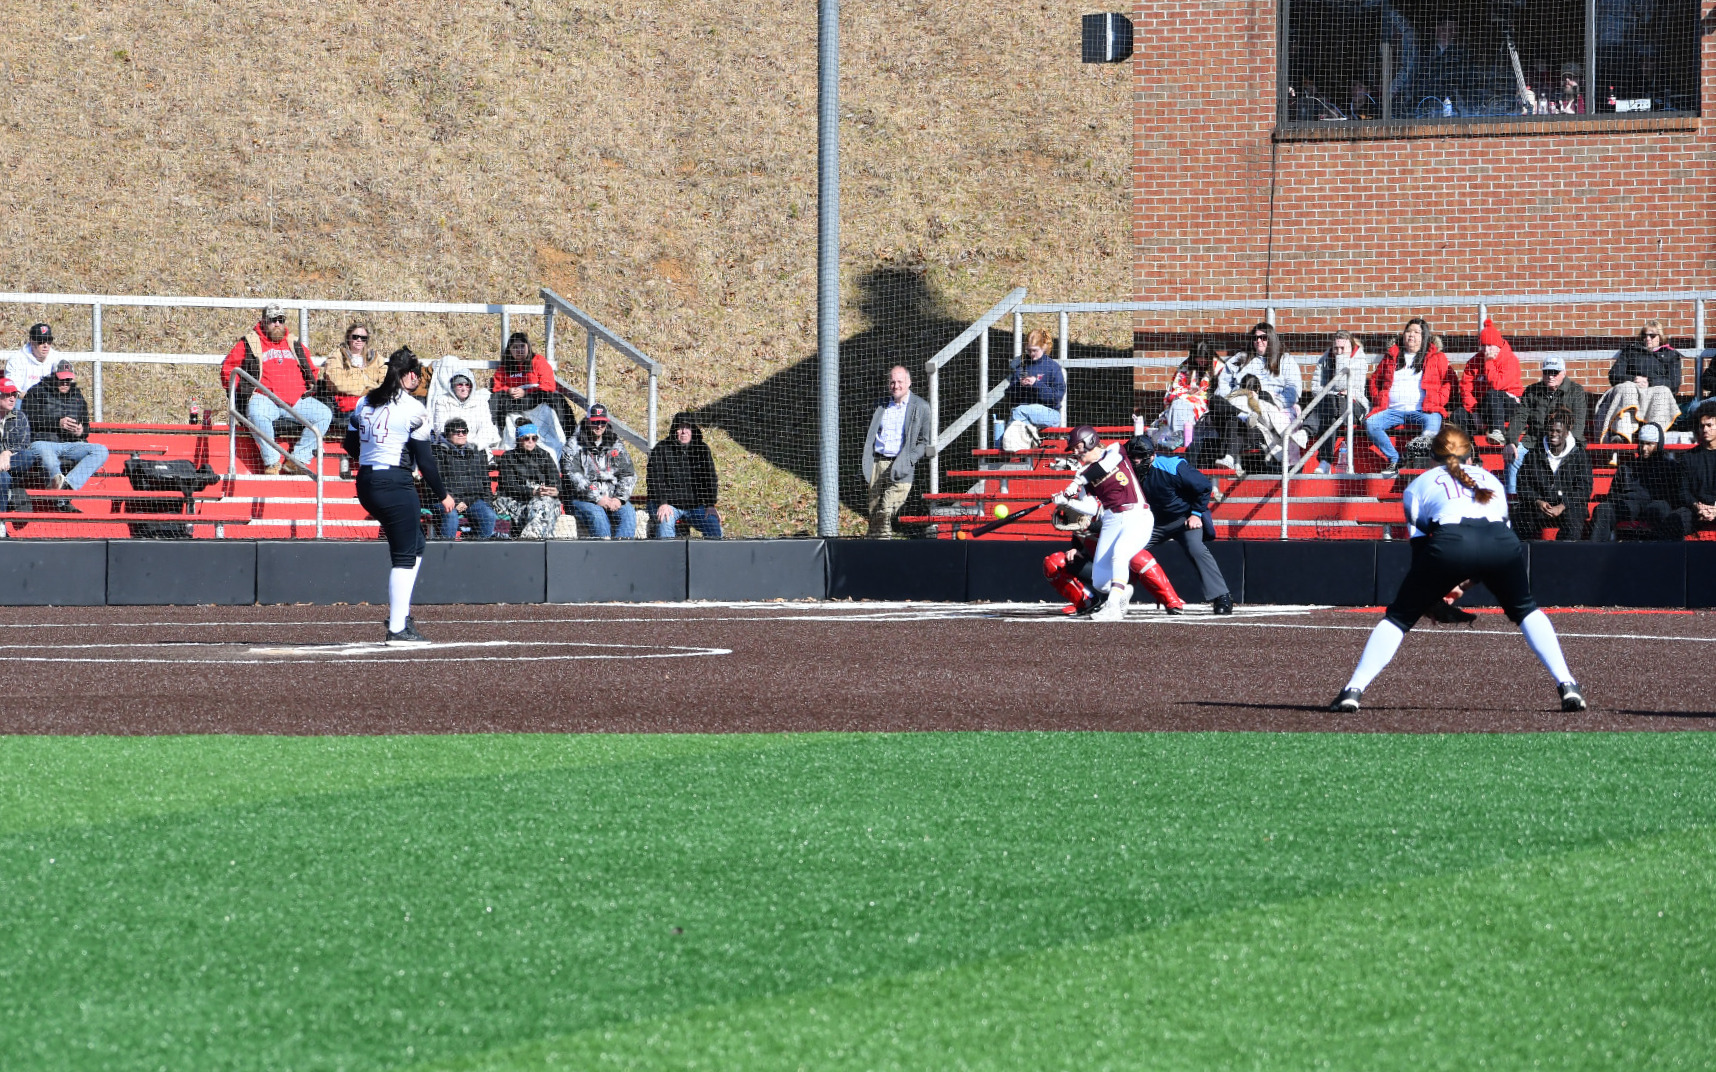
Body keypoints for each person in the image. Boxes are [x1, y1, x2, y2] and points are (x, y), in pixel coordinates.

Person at [1330, 424, 1586, 714]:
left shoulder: (1418, 485)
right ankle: (1568, 684)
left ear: (1432, 458)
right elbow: (1490, 542)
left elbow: (1422, 549)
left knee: (1399, 618)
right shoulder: (1491, 479)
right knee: (1526, 610)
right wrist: (1461, 586)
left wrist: (1431, 597)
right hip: (1502, 544)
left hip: (1450, 541)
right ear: (1470, 456)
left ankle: (1353, 689)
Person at [344, 348, 453, 645]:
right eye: (416, 374)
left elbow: (350, 445)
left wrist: (375, 454)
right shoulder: (413, 408)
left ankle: (402, 615)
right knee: (404, 555)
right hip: (394, 483)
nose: (418, 380)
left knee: (416, 543)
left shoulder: (364, 401)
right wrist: (443, 495)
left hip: (367, 481)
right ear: (409, 375)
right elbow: (425, 461)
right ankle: (397, 628)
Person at [1052, 425, 1153, 622]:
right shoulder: (1084, 474)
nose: (1076, 452)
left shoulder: (1114, 450)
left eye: (1078, 447)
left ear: (1090, 441)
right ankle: (1122, 592)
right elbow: (1090, 508)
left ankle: (1112, 607)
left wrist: (1078, 481)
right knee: (1100, 581)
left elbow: (1105, 466)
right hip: (1111, 520)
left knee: (1120, 553)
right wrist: (1067, 502)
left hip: (1136, 514)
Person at [219, 303, 333, 476]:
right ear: (264, 322)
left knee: (324, 414)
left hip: (296, 402)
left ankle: (297, 460)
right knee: (256, 413)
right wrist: (242, 393)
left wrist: (309, 386)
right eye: (273, 320)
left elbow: (311, 369)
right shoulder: (249, 343)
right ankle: (272, 462)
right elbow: (228, 370)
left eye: (281, 320)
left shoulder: (293, 343)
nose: (277, 324)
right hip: (265, 399)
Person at [1127, 433, 1233, 614]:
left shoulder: (1172, 466)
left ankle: (1222, 596)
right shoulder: (1127, 471)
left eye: (1140, 456)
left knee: (1196, 548)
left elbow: (1204, 486)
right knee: (1126, 550)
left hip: (1184, 519)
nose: (1135, 460)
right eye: (1132, 456)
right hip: (1152, 524)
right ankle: (1115, 596)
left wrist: (1196, 514)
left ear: (1152, 456)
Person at [1041, 503, 1184, 616]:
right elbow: (1079, 540)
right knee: (1054, 562)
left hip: (1125, 567)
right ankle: (1087, 603)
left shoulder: (1113, 507)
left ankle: (1171, 600)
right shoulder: (1078, 516)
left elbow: (1117, 527)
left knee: (1139, 556)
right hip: (1100, 570)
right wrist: (1075, 549)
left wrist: (1090, 526)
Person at [1365, 317, 1454, 477]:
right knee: (1371, 423)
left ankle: (1419, 457)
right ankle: (1395, 459)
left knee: (1433, 425)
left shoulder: (1437, 357)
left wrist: (1439, 400)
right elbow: (1374, 380)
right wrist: (1379, 397)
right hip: (1392, 411)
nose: (1411, 335)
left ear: (1424, 336)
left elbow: (1449, 381)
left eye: (1416, 332)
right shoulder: (1391, 356)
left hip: (1424, 410)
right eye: (1408, 331)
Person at [1215, 322, 1303, 470]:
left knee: (1253, 402)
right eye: (1255, 338)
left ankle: (1231, 457)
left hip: (1267, 404)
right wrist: (1231, 398)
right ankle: (1230, 458)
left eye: (1263, 338)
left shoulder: (1285, 360)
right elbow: (1223, 382)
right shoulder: (1241, 358)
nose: (1259, 341)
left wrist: (1277, 403)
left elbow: (1293, 389)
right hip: (1240, 401)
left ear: (1271, 339)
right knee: (1216, 401)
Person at [862, 365, 933, 538]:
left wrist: (910, 459)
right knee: (874, 512)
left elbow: (924, 441)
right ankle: (873, 546)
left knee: (886, 510)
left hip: (902, 465)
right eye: (892, 382)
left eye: (900, 381)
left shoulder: (921, 407)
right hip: (878, 463)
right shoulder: (880, 405)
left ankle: (881, 546)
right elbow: (871, 433)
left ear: (909, 382)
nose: (896, 386)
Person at [1502, 355, 1588, 493]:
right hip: (1535, 440)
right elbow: (1520, 417)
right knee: (1514, 456)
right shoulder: (1532, 391)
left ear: (1564, 372)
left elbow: (1579, 423)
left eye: (1555, 372)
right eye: (1547, 372)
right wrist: (1511, 441)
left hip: (1564, 442)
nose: (1550, 376)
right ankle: (1512, 499)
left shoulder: (1575, 391)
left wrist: (1564, 444)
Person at [1589, 423, 1688, 541]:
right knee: (1603, 509)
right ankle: (1595, 550)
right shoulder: (1626, 468)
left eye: (1649, 444)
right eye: (1642, 443)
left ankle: (1661, 550)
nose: (1644, 448)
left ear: (1659, 444)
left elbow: (1676, 497)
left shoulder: (1670, 467)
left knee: (1661, 509)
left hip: (1655, 508)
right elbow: (1613, 496)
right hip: (1629, 507)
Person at [23, 360, 109, 495]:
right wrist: (57, 423)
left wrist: (81, 431)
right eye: (61, 380)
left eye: (68, 380)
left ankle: (67, 486)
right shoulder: (36, 391)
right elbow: (28, 419)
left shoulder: (77, 396)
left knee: (101, 451)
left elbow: (86, 425)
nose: (65, 384)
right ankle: (62, 497)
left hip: (71, 444)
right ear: (53, 377)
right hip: (42, 442)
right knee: (50, 460)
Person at [1511, 409, 1592, 541]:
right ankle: (1524, 551)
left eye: (1558, 431)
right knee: (1521, 514)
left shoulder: (1580, 456)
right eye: (1551, 430)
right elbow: (1522, 484)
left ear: (1566, 433)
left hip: (1568, 507)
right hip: (1538, 506)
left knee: (1575, 516)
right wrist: (1537, 501)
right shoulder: (1533, 454)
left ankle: (1566, 551)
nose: (1554, 434)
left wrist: (1562, 506)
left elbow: (1584, 489)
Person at [1597, 321, 1681, 441]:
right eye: (1644, 335)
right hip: (1632, 391)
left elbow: (1674, 383)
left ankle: (1654, 437)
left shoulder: (1670, 354)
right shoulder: (1631, 351)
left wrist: (1649, 382)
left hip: (1654, 391)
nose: (1648, 338)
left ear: (1660, 337)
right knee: (1627, 387)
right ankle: (1621, 435)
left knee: (1663, 391)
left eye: (1652, 335)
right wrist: (1633, 379)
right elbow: (1614, 375)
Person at [563, 403, 637, 539]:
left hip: (613, 496)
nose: (599, 426)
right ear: (588, 421)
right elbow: (573, 475)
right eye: (595, 422)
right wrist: (598, 498)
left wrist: (619, 498)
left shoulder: (615, 443)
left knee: (629, 513)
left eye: (602, 422)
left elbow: (628, 474)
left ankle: (624, 549)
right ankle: (603, 549)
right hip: (583, 499)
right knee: (598, 515)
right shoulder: (574, 444)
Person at [646, 411, 722, 539]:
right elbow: (654, 479)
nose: (684, 431)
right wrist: (662, 503)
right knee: (665, 523)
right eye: (680, 427)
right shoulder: (661, 449)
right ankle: (666, 552)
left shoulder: (702, 450)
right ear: (674, 430)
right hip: (668, 505)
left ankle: (713, 552)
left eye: (687, 427)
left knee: (713, 524)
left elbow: (710, 478)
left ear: (693, 430)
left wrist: (710, 505)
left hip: (695, 506)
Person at [1304, 331, 1369, 473]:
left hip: (1354, 405)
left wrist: (1342, 359)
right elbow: (1315, 389)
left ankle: (1308, 434)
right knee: (1332, 412)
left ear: (1351, 347)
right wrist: (1334, 394)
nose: (1339, 352)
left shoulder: (1359, 360)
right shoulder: (1325, 359)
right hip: (1330, 407)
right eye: (1336, 348)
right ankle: (1325, 462)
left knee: (1330, 403)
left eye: (1342, 348)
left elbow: (1344, 386)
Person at [993, 329, 1066, 446]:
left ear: (1043, 347)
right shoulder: (1022, 367)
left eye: (1035, 350)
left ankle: (1009, 446)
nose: (1032, 354)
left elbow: (1056, 397)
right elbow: (1011, 396)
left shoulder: (1053, 367)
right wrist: (1020, 386)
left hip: (1050, 414)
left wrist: (1036, 384)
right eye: (1029, 350)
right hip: (1024, 413)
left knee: (1018, 412)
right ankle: (1025, 446)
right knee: (1018, 415)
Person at [489, 332, 573, 432]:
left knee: (557, 398)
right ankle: (496, 432)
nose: (519, 350)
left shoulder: (538, 361)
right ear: (509, 350)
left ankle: (567, 433)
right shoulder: (505, 366)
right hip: (513, 400)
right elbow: (496, 386)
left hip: (534, 397)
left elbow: (549, 385)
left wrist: (526, 392)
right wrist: (508, 390)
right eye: (515, 347)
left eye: (522, 346)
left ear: (528, 347)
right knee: (494, 398)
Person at [1455, 319, 1523, 442]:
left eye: (1490, 345)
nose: (1486, 350)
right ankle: (1468, 448)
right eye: (1483, 346)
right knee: (1458, 414)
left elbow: (1497, 385)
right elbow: (1465, 389)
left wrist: (1489, 362)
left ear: (1498, 345)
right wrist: (1474, 412)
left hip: (1510, 406)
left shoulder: (1510, 360)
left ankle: (1498, 432)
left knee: (1493, 394)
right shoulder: (1474, 362)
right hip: (1485, 407)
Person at [495, 422, 566, 539]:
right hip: (517, 501)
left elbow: (556, 481)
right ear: (519, 439)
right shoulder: (508, 457)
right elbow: (510, 486)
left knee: (546, 503)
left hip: (543, 500)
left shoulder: (544, 455)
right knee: (544, 508)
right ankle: (535, 540)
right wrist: (533, 492)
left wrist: (554, 490)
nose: (531, 441)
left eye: (534, 438)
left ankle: (530, 537)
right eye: (526, 438)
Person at [432, 418, 498, 540]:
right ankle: (446, 548)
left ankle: (478, 548)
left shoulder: (476, 452)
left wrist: (487, 503)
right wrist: (455, 502)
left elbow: (485, 482)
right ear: (448, 433)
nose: (461, 434)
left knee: (489, 515)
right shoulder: (438, 452)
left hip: (472, 500)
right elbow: (434, 482)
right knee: (451, 515)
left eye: (464, 431)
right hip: (445, 499)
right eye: (457, 432)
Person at [426, 356, 502, 452]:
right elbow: (440, 428)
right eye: (460, 385)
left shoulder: (481, 401)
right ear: (453, 386)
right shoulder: (442, 401)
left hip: (476, 447)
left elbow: (486, 428)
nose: (464, 388)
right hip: (450, 447)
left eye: (467, 385)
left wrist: (473, 445)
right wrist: (458, 442)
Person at [1158, 341, 1218, 452]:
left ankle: (1184, 437)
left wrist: (1200, 394)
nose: (1201, 363)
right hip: (1185, 399)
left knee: (1182, 405)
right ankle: (1179, 436)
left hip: (1207, 403)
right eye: (1198, 360)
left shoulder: (1217, 367)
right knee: (1177, 404)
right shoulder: (1186, 366)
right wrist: (1187, 391)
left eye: (1204, 360)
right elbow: (1175, 388)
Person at [319, 322, 386, 417]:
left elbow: (386, 383)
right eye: (355, 337)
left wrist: (360, 384)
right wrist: (368, 388)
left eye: (363, 338)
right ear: (348, 337)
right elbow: (336, 383)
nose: (359, 340)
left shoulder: (376, 358)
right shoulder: (337, 356)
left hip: (374, 404)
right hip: (348, 408)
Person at [0, 377, 40, 513]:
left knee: (28, 456)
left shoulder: (19, 416)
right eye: (8, 394)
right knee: (3, 478)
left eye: (15, 395)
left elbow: (23, 443)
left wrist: (7, 453)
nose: (13, 399)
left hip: (12, 461)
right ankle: (2, 520)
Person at [1681, 402, 1716, 538]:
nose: (1705, 429)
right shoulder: (1688, 457)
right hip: (1695, 510)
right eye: (1702, 426)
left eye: (1709, 425)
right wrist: (1697, 506)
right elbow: (1683, 491)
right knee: (1675, 520)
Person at [7, 323, 58, 395]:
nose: (46, 345)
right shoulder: (16, 360)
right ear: (32, 342)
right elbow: (13, 390)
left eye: (49, 340)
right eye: (41, 341)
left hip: (50, 400)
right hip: (23, 399)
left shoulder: (57, 358)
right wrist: (33, 398)